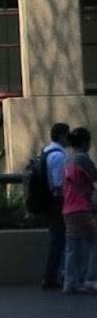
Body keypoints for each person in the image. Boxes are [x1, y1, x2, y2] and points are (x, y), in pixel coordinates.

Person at [60, 126, 97, 294]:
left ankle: (70, 282)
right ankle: (91, 278)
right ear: (84, 142)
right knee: (94, 242)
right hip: (82, 207)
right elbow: (94, 175)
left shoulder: (67, 158)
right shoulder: (82, 158)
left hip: (68, 208)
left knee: (72, 246)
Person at [39, 123, 71, 290]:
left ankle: (51, 276)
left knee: (56, 239)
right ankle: (52, 276)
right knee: (59, 239)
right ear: (61, 136)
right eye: (67, 134)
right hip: (57, 202)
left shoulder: (46, 151)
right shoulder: (58, 156)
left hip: (49, 201)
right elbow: (59, 183)